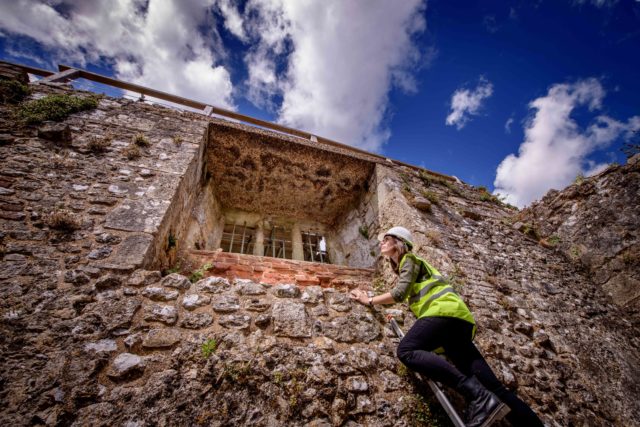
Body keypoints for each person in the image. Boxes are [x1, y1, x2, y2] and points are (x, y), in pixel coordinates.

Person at [350, 226, 544, 427]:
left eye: (386, 238)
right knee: (493, 387)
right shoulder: (415, 265)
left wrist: (369, 300)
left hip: (441, 313)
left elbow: (399, 293)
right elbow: (399, 295)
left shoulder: (409, 259)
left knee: (406, 350)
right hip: (458, 320)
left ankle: (476, 395)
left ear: (399, 243)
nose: (381, 242)